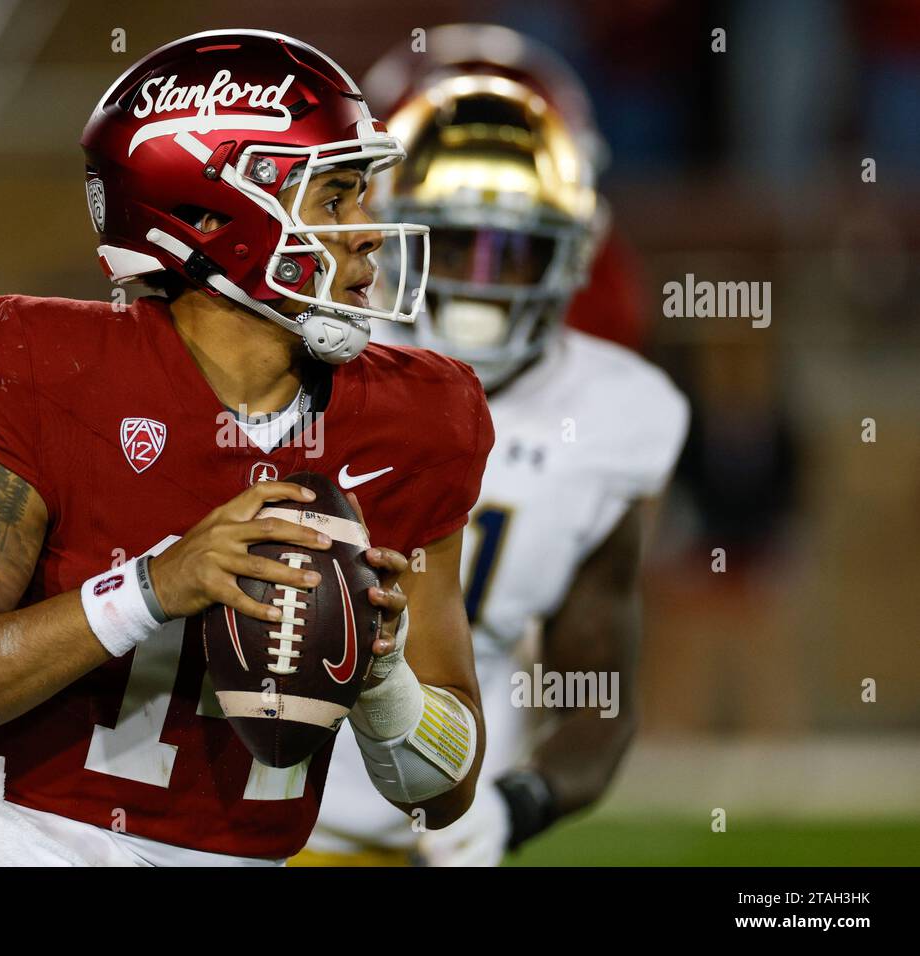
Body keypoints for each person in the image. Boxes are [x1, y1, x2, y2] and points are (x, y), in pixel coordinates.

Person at [0, 29, 493, 867]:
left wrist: (382, 682)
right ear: (212, 214)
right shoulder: (49, 366)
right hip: (20, 843)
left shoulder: (419, 417)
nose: (368, 232)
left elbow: (444, 794)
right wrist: (151, 588)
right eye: (333, 197)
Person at [302, 25, 690, 866]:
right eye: (451, 243)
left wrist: (513, 811)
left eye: (511, 253)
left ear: (574, 252)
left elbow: (598, 704)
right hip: (221, 820)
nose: (479, 279)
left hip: (430, 831)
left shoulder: (619, 412)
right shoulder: (300, 354)